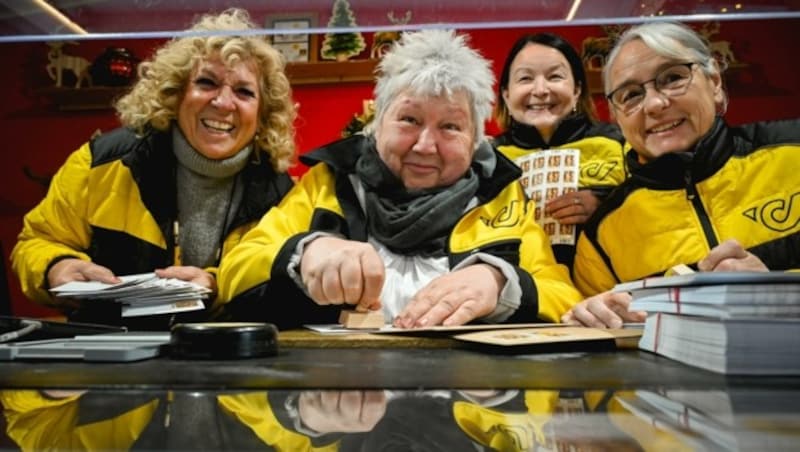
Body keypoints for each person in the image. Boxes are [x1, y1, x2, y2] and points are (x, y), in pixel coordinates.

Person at [215, 29, 581, 329]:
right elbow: (235, 272)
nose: (425, 145)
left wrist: (501, 283)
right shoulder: (328, 182)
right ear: (377, 125)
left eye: (451, 126)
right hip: (339, 404)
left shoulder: (503, 196)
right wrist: (304, 253)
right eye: (409, 119)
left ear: (474, 142)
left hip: (466, 408)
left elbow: (563, 295)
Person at [10, 8, 296, 329]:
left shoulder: (282, 193)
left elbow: (281, 284)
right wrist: (56, 267)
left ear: (263, 112)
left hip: (227, 355)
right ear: (176, 94)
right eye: (206, 83)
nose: (223, 103)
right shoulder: (101, 162)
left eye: (244, 91)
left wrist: (217, 284)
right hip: (110, 353)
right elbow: (36, 242)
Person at [563, 21, 800, 328]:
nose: (655, 104)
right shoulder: (601, 235)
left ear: (714, 81)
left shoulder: (793, 151)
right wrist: (594, 317)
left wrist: (780, 293)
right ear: (616, 116)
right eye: (631, 95)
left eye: (673, 78)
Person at [493, 33, 627, 271]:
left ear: (576, 90)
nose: (541, 89)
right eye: (525, 78)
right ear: (506, 94)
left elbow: (654, 207)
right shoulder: (490, 156)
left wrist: (605, 206)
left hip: (607, 285)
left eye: (555, 76)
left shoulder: (618, 141)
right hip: (521, 290)